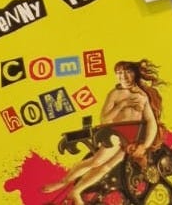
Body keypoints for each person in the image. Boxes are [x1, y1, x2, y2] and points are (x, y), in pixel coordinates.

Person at [44, 59, 163, 204]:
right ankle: (63, 182)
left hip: (133, 137)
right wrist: (122, 105)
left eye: (127, 72)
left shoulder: (142, 96)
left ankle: (76, 191)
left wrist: (145, 145)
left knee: (106, 167)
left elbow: (151, 122)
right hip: (116, 133)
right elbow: (105, 119)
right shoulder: (115, 93)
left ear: (135, 74)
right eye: (119, 73)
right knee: (97, 161)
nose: (123, 76)